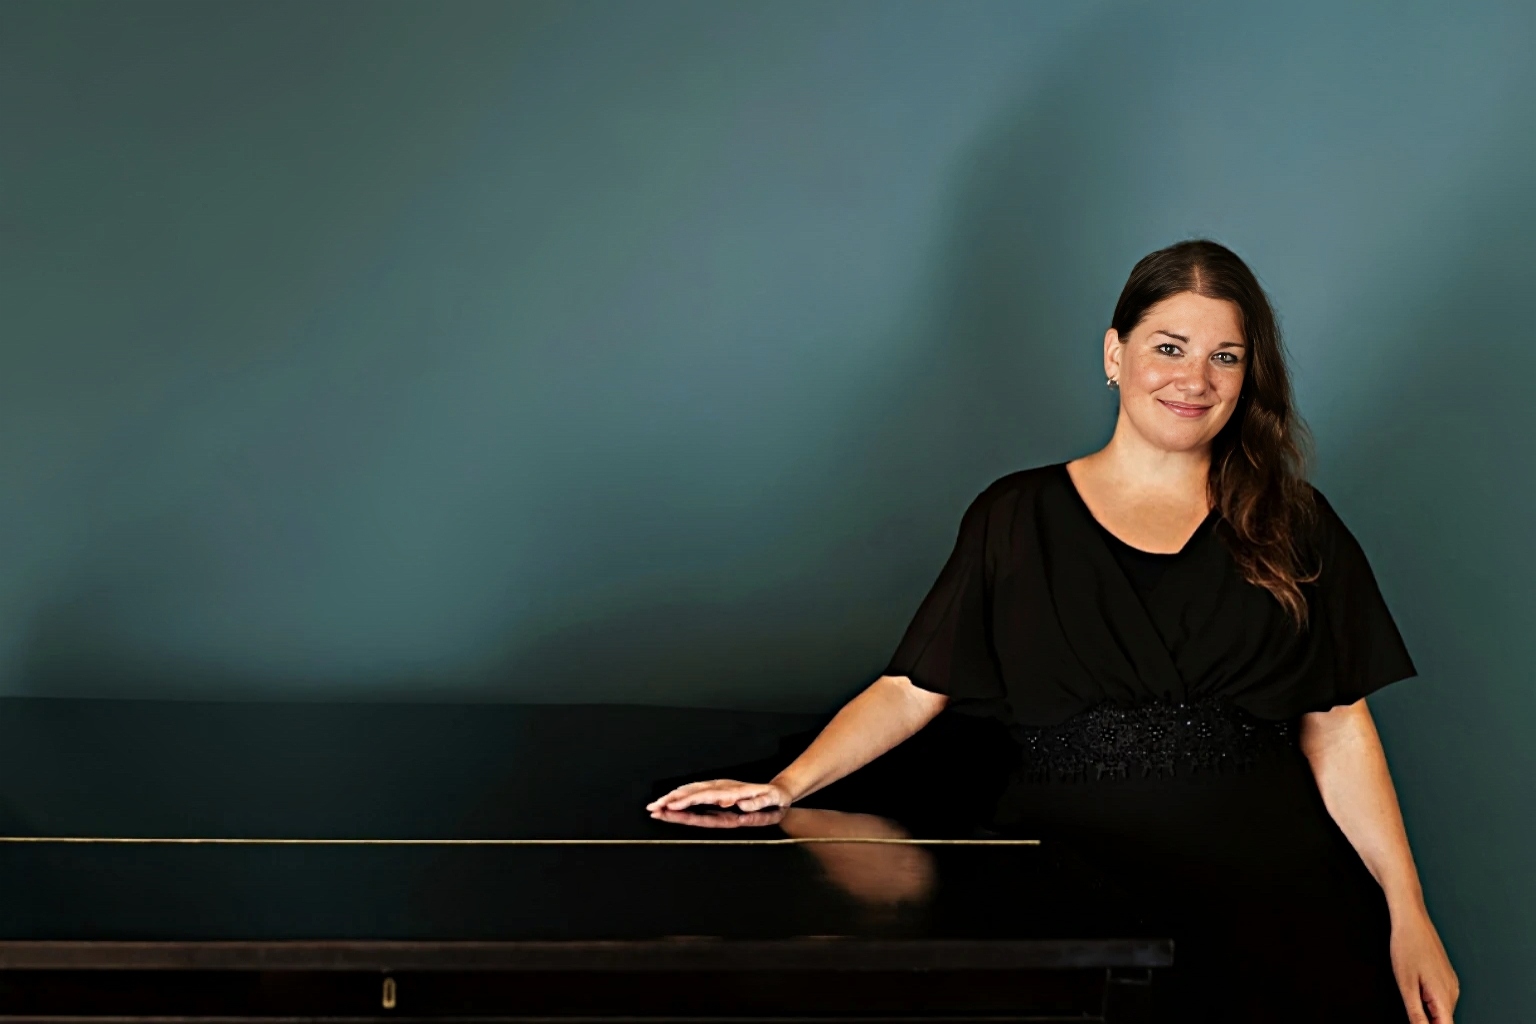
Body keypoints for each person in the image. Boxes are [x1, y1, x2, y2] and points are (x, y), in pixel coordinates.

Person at [646, 239, 1458, 1023]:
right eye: (1169, 348)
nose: (1195, 379)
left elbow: (1339, 729)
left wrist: (1409, 911)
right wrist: (787, 785)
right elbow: (912, 689)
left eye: (1225, 357)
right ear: (1115, 353)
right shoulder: (1015, 516)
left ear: (1249, 377)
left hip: (1280, 911)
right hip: (1068, 897)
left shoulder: (1294, 522)